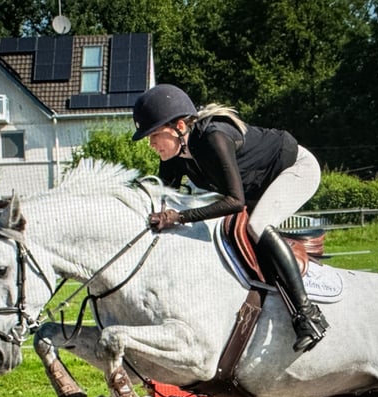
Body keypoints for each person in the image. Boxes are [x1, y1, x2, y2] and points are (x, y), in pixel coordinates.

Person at [132, 84, 328, 352]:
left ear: (179, 126)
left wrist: (180, 217)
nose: (151, 144)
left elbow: (234, 202)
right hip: (255, 187)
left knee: (257, 225)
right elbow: (162, 197)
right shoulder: (175, 155)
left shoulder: (214, 137)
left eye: (154, 135)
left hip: (294, 169)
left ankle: (308, 315)